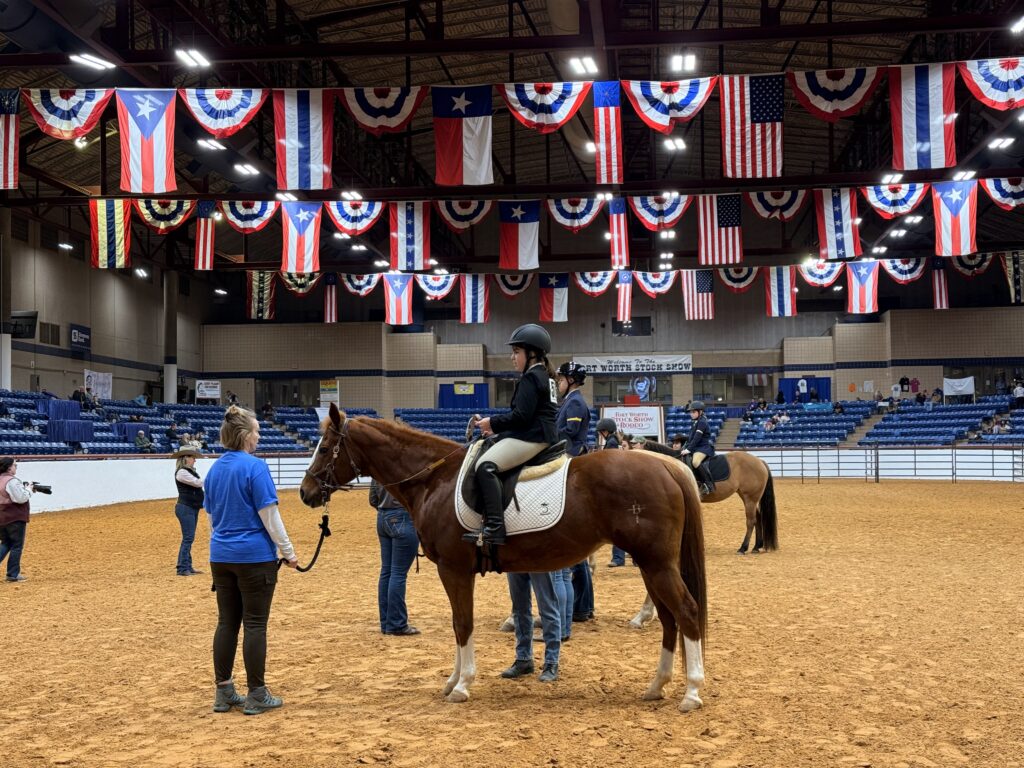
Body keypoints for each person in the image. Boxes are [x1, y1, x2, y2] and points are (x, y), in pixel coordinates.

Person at [206, 405, 298, 715]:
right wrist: (288, 552)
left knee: (226, 623)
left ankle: (224, 691)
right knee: (255, 624)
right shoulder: (255, 467)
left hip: (220, 554)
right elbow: (269, 516)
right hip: (253, 556)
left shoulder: (215, 469)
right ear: (245, 436)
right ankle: (257, 692)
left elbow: (212, 516)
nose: (259, 437)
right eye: (256, 431)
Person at [472, 324, 558, 546]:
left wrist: (492, 422)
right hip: (540, 432)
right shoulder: (545, 376)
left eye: (516, 352)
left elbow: (521, 416)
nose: (512, 357)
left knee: (485, 466)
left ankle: (495, 527)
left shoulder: (531, 377)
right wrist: (495, 429)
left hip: (534, 436)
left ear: (532, 354)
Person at [555, 361, 592, 635]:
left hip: (569, 454)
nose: (558, 383)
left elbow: (568, 435)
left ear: (571, 380)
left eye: (560, 379)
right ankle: (582, 606)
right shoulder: (569, 401)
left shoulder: (576, 404)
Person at [370, 477, 420, 636]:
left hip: (383, 517)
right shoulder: (406, 462)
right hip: (402, 516)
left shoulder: (378, 466)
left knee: (387, 572)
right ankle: (397, 623)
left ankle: (386, 622)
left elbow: (372, 499)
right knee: (398, 574)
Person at [501, 570, 562, 683]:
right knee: (519, 608)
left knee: (547, 606)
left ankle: (551, 662)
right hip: (514, 556)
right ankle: (523, 659)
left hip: (539, 557)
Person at [172, 446, 205, 577]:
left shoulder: (186, 472)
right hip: (186, 507)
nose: (194, 460)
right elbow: (198, 483)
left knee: (188, 538)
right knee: (188, 538)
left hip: (190, 507)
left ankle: (187, 566)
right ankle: (182, 567)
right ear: (186, 458)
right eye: (193, 457)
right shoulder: (182, 472)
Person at [0, 457, 33, 582]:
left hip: (2, 516)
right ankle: (12, 574)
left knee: (6, 543)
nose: (16, 467)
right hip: (14, 517)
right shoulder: (12, 481)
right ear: (9, 467)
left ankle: (12, 573)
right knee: (16, 545)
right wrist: (29, 489)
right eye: (15, 465)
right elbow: (20, 498)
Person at [680, 401, 716, 497]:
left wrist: (689, 449)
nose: (691, 414)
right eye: (690, 412)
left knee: (695, 462)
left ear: (700, 412)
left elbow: (697, 438)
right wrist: (685, 447)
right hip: (696, 447)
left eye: (693, 412)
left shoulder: (702, 422)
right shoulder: (695, 422)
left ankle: (708, 485)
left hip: (703, 448)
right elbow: (691, 438)